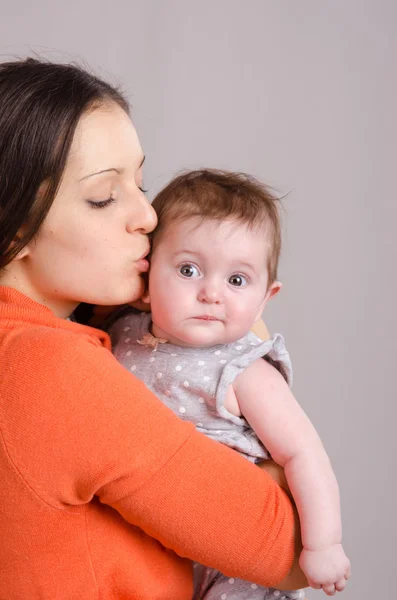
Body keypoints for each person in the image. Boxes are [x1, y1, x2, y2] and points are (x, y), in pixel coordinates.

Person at [0, 58, 307, 599]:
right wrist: (242, 348)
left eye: (140, 183)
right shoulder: (50, 370)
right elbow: (288, 552)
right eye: (103, 197)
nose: (147, 215)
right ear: (16, 227)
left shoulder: (73, 342)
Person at [108, 169, 351, 598]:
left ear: (265, 298)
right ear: (145, 280)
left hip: (232, 560)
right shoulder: (123, 333)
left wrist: (323, 544)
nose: (211, 293)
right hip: (152, 542)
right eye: (188, 269)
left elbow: (303, 454)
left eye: (236, 280)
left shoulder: (244, 370)